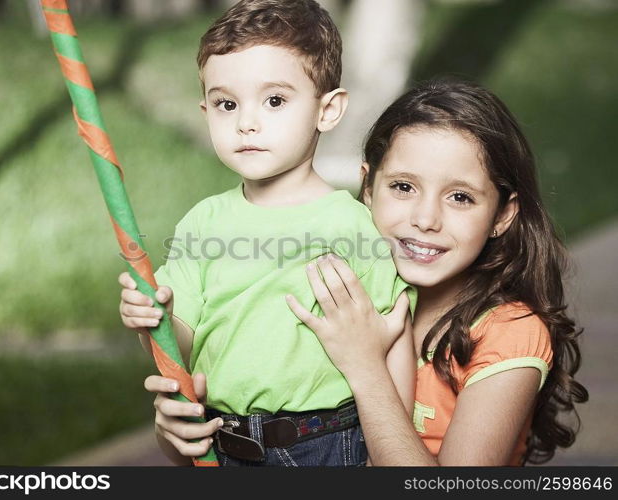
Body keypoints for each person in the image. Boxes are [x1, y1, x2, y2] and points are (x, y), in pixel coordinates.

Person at [129, 79, 588, 466]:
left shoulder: (509, 333)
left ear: (503, 215)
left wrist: (366, 365)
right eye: (403, 187)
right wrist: (179, 431)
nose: (425, 219)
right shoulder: (338, 288)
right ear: (367, 187)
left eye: (460, 197)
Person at [119, 0, 416, 466]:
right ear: (206, 111)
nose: (246, 122)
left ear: (329, 109)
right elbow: (181, 345)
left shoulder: (353, 225)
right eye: (226, 104)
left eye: (274, 100)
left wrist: (392, 452)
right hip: (224, 443)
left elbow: (393, 334)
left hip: (326, 445)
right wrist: (155, 316)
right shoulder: (203, 224)